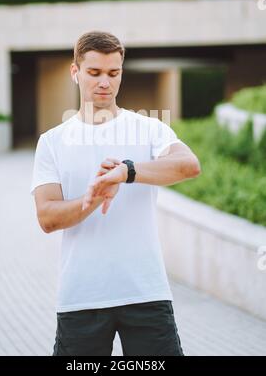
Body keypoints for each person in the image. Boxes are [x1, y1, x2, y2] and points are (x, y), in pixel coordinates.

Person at [30, 31, 201, 356]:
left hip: (146, 293)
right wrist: (91, 199)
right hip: (82, 296)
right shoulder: (52, 141)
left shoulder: (149, 129)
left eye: (113, 73)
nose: (104, 82)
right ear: (75, 72)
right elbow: (47, 217)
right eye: (94, 73)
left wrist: (127, 171)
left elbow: (188, 165)